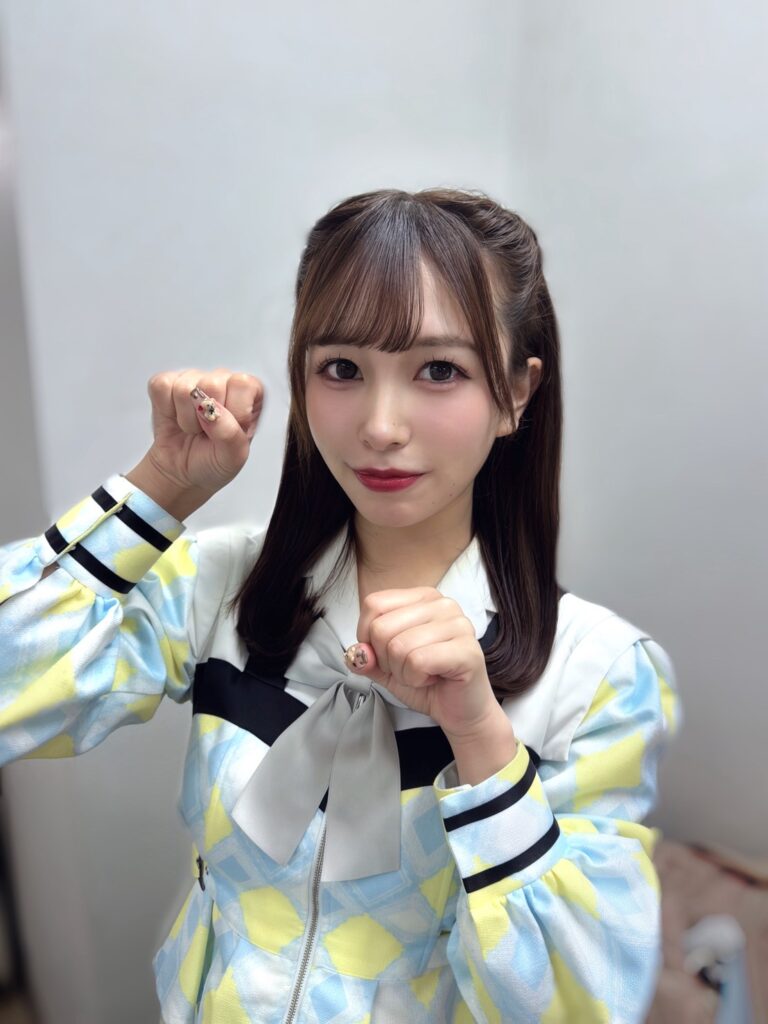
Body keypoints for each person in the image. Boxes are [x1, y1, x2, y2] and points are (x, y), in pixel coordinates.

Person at [0, 187, 682, 1023]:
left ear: (515, 392)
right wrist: (160, 490)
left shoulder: (598, 674)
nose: (380, 426)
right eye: (343, 370)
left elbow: (579, 1004)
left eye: (440, 370)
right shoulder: (224, 583)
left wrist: (480, 737)